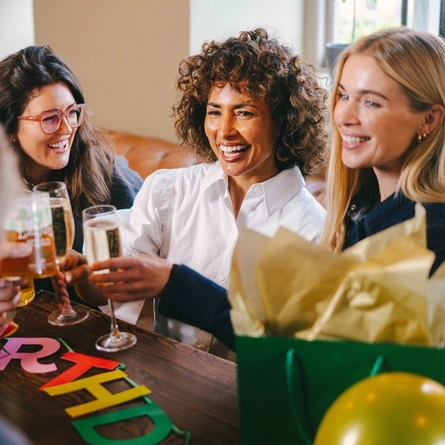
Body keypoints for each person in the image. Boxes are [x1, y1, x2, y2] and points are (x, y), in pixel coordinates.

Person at [59, 28, 328, 359]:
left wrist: (177, 285)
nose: (224, 130)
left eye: (244, 112)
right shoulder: (169, 190)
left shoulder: (314, 231)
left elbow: (288, 353)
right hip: (158, 375)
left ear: (284, 121)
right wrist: (85, 277)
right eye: (214, 111)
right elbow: (111, 293)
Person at [0, 45, 143, 306]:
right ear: (10, 128)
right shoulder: (5, 189)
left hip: (88, 332)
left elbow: (131, 282)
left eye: (71, 112)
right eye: (50, 118)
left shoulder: (109, 176)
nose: (66, 128)